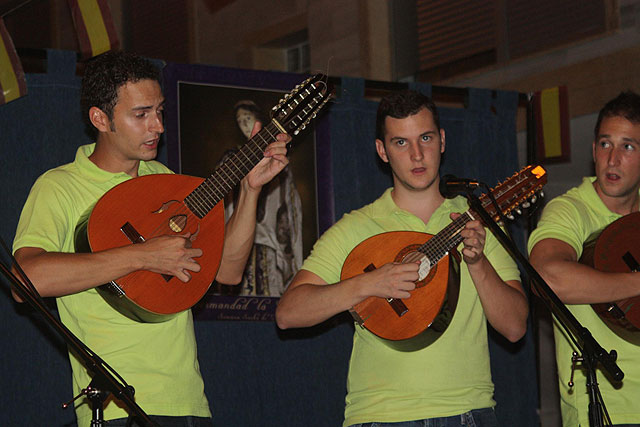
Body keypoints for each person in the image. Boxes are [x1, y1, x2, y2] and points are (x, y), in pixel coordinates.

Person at [11, 51, 290, 426]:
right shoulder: (59, 186)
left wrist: (250, 191)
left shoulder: (163, 178)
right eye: (141, 115)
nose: (157, 126)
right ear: (100, 118)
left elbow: (226, 271)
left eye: (159, 111)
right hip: (114, 410)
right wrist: (142, 255)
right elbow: (24, 280)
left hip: (188, 402)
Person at [275, 89, 528, 426]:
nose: (417, 154)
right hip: (380, 415)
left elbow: (514, 328)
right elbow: (289, 313)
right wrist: (370, 282)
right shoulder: (356, 227)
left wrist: (478, 263)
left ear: (442, 140)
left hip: (469, 411)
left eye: (425, 138)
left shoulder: (478, 221)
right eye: (400, 143)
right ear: (382, 150)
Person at [528, 91, 640, 426]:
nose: (613, 159)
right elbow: (546, 278)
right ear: (593, 151)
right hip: (607, 409)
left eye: (628, 146)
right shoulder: (570, 210)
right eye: (605, 144)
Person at [214, 100, 302, 297]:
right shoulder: (229, 160)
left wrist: (250, 189)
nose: (244, 124)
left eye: (247, 119)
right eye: (240, 121)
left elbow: (289, 206)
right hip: (235, 239)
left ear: (258, 120)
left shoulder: (276, 162)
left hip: (267, 244)